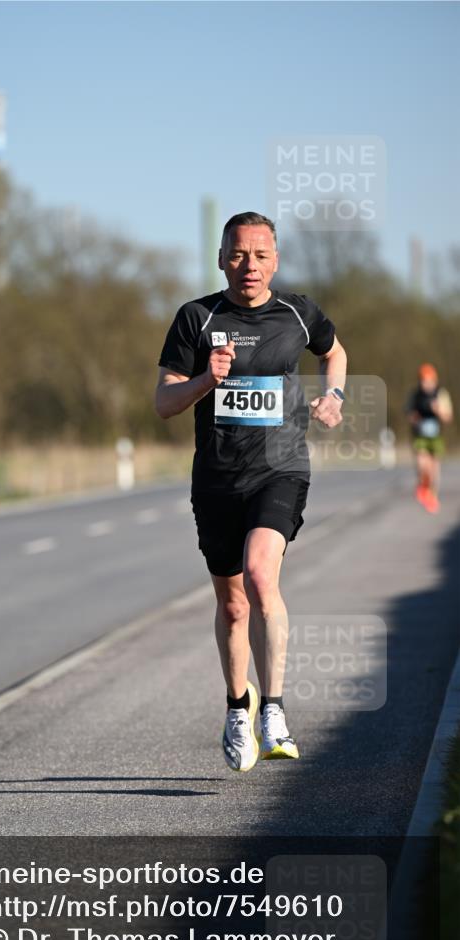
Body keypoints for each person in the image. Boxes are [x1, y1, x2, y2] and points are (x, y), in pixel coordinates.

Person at [155, 212, 347, 772]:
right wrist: (205, 380)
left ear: (276, 261)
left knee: (263, 576)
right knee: (232, 603)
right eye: (239, 254)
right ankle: (239, 706)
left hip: (280, 470)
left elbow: (334, 352)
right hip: (216, 480)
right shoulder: (197, 318)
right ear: (221, 258)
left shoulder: (297, 313)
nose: (250, 265)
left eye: (261, 255)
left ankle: (275, 709)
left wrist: (333, 395)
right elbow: (164, 403)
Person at [406, 363, 453, 514]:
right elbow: (409, 413)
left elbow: (448, 417)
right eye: (423, 381)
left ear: (434, 381)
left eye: (429, 381)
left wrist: (438, 410)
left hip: (436, 435)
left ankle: (432, 495)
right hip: (420, 435)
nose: (426, 384)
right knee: (422, 464)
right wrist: (414, 418)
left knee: (434, 467)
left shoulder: (441, 394)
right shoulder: (416, 395)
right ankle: (423, 486)